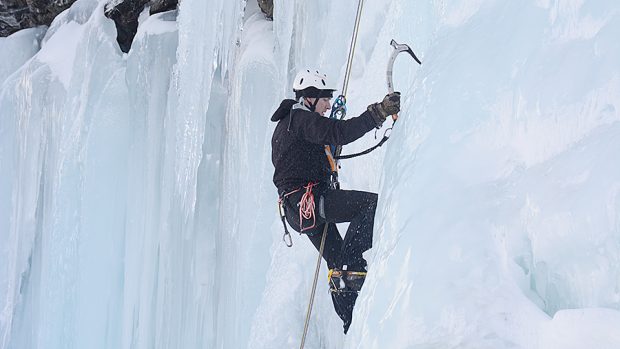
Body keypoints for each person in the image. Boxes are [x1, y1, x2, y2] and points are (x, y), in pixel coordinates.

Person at [270, 68, 400, 333]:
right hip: (311, 202)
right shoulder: (300, 118)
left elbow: (310, 153)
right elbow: (339, 133)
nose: (328, 104)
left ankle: (351, 324)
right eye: (324, 99)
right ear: (309, 97)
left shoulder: (288, 124)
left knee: (338, 267)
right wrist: (378, 113)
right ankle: (352, 262)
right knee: (372, 206)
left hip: (300, 211)